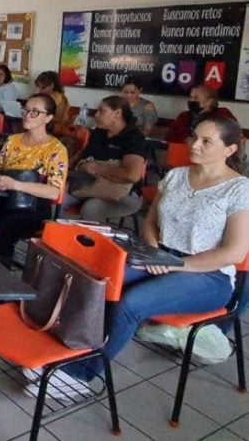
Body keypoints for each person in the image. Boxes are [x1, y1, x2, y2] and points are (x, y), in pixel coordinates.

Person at [62, 116, 249, 384]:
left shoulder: (239, 189)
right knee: (99, 281)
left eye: (206, 141)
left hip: (210, 275)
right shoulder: (176, 175)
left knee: (131, 303)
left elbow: (233, 253)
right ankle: (74, 348)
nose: (194, 145)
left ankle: (82, 374)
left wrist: (177, 265)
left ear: (229, 150)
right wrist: (152, 250)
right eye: (193, 137)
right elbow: (151, 221)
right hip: (163, 257)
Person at [0, 94, 68, 265]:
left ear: (48, 118)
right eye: (26, 110)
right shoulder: (13, 140)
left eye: (35, 112)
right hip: (2, 195)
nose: (27, 115)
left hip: (32, 204)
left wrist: (17, 185)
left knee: (2, 230)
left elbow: (53, 191)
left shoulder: (56, 149)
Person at [63, 95, 146, 222]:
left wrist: (97, 169)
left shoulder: (133, 137)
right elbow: (83, 155)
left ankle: (91, 240)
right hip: (88, 185)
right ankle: (56, 236)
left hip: (122, 195)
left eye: (102, 111)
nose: (96, 115)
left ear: (117, 113)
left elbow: (132, 176)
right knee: (57, 198)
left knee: (91, 207)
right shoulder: (98, 132)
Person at [166, 84, 236, 143]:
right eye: (190, 97)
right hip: (181, 153)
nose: (192, 100)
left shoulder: (222, 115)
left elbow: (231, 138)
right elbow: (169, 138)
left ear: (209, 102)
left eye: (196, 98)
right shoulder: (183, 116)